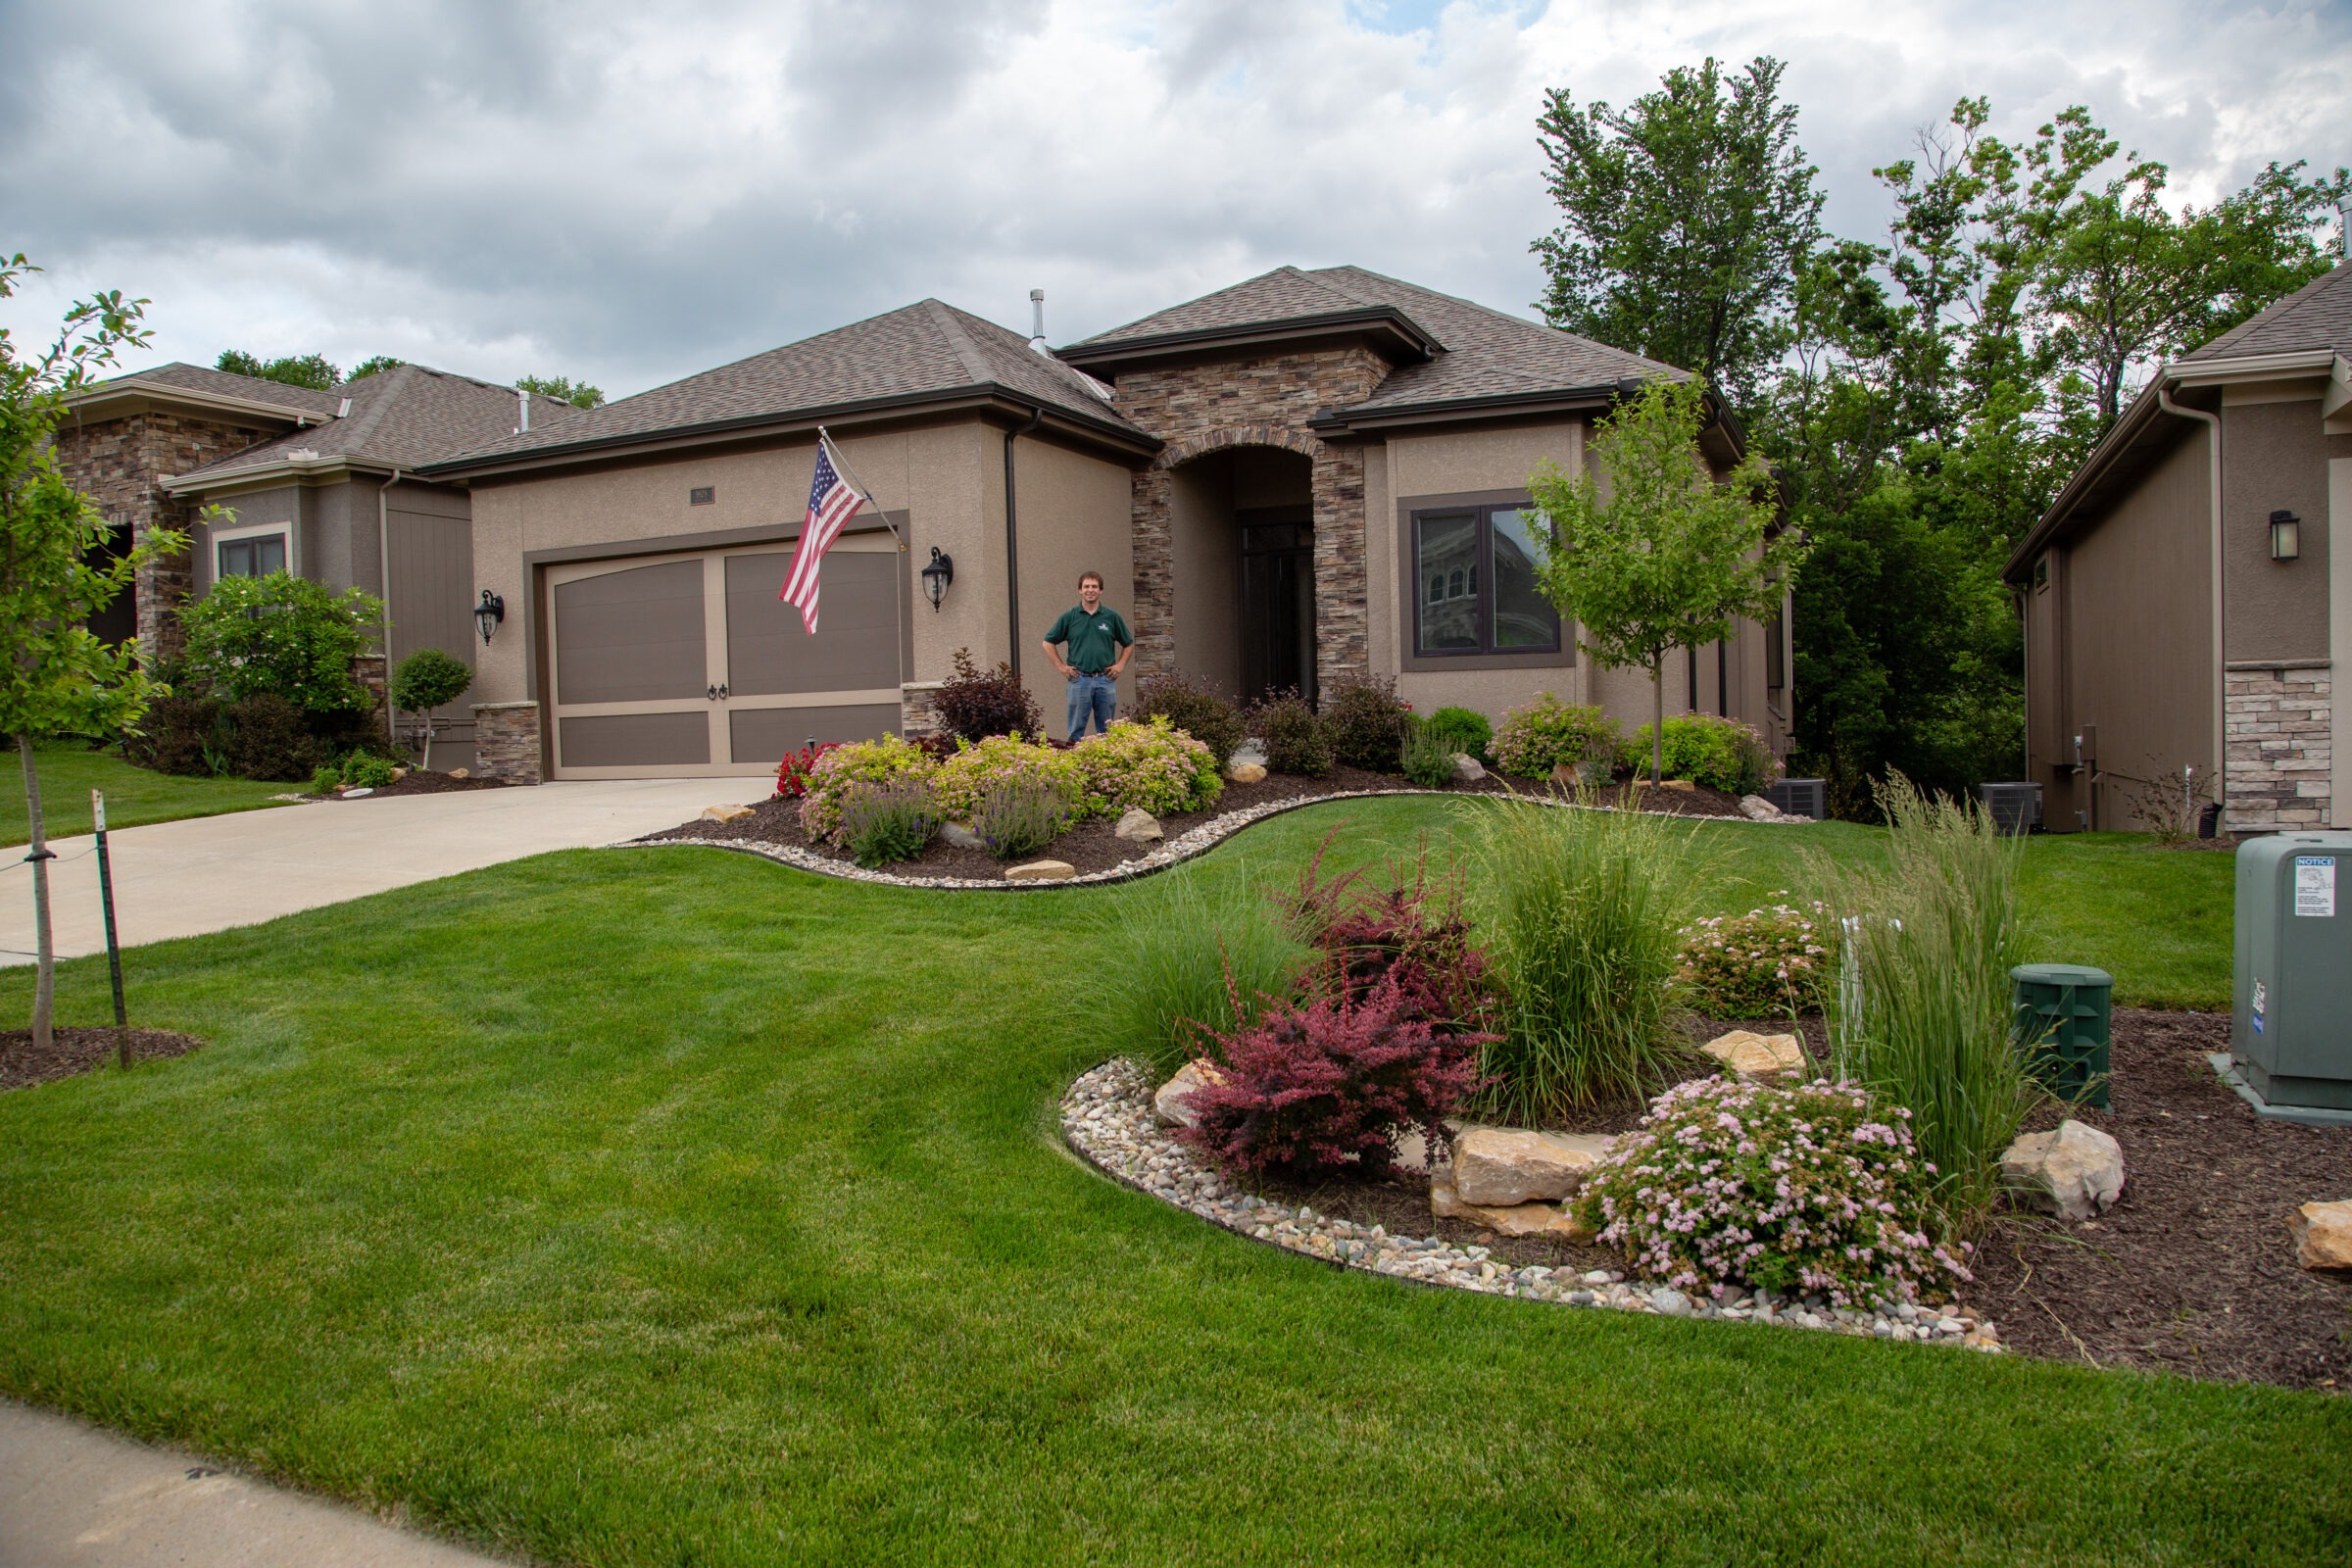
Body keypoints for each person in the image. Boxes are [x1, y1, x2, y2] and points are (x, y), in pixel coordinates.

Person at [1042, 569, 1132, 738]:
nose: (1090, 590)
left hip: (1105, 680)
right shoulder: (1069, 617)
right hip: (1079, 680)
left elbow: (1128, 643)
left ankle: (1105, 763)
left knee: (1107, 731)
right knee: (1076, 731)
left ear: (1101, 591)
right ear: (1080, 590)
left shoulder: (1112, 617)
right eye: (1086, 586)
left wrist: (1120, 665)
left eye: (1094, 587)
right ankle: (1075, 761)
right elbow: (1047, 643)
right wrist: (1061, 667)